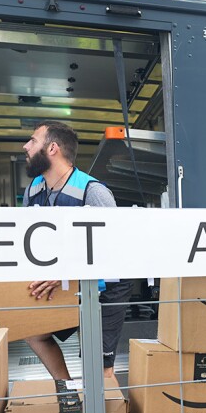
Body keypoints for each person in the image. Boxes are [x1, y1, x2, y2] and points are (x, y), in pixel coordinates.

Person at [20, 120, 132, 380]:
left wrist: (66, 274)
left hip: (106, 286)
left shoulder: (92, 192)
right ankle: (68, 394)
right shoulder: (34, 190)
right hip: (68, 282)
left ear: (52, 149)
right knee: (34, 333)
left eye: (33, 140)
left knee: (98, 367)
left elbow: (116, 249)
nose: (26, 146)